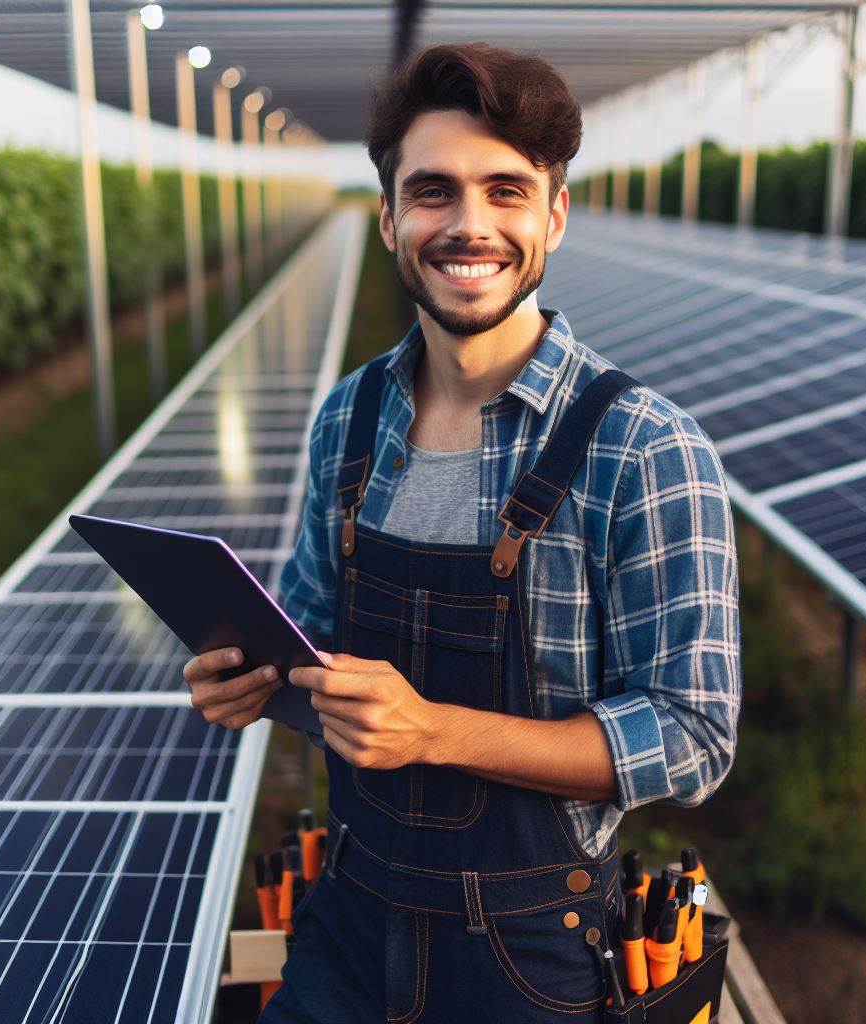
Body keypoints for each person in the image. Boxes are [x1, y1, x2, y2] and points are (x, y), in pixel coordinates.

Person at [184, 41, 741, 1024]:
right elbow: (313, 632)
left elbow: (693, 734)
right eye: (434, 191)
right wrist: (260, 678)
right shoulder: (347, 420)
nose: (470, 225)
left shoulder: (641, 447)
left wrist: (433, 730)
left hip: (529, 955)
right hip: (348, 921)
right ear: (390, 217)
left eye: (506, 191)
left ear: (554, 215)